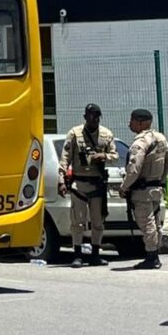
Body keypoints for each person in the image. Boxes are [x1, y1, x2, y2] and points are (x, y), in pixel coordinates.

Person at [59, 103, 118, 267]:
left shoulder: (106, 134)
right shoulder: (74, 134)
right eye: (91, 116)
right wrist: (61, 180)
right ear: (85, 117)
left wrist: (103, 156)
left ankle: (95, 254)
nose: (94, 119)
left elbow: (115, 155)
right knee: (78, 222)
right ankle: (77, 254)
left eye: (97, 116)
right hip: (79, 184)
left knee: (98, 222)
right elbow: (65, 159)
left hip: (97, 184)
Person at [119, 108, 168, 269]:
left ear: (142, 122)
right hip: (156, 188)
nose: (130, 124)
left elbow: (134, 168)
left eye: (132, 120)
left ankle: (152, 256)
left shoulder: (140, 142)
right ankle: (154, 252)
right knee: (156, 223)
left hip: (142, 191)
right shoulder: (160, 138)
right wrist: (161, 179)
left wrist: (125, 187)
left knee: (147, 223)